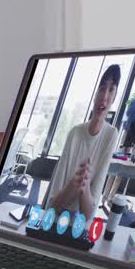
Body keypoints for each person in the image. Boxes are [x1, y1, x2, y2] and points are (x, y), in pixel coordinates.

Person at [44, 65, 121, 223]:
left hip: (78, 225)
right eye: (102, 89)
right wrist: (74, 184)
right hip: (55, 219)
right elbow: (53, 206)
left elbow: (88, 215)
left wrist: (84, 188)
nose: (105, 96)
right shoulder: (75, 133)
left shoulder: (111, 135)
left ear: (114, 98)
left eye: (111, 90)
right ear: (95, 95)